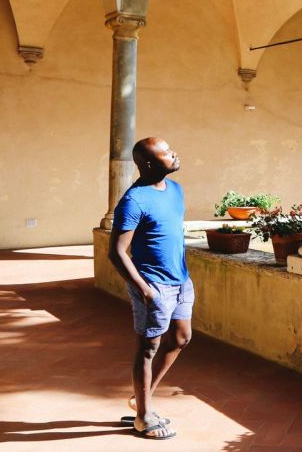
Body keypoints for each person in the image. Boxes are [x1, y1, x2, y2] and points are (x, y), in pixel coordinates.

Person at [108, 137, 192, 441]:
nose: (174, 154)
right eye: (167, 153)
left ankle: (142, 398)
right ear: (148, 164)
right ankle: (143, 417)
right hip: (153, 284)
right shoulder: (134, 200)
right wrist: (144, 289)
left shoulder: (176, 190)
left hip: (181, 280)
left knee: (181, 338)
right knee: (148, 348)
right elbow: (117, 252)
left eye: (171, 149)